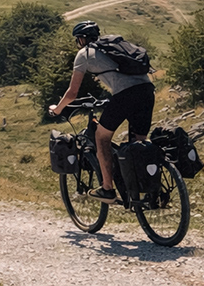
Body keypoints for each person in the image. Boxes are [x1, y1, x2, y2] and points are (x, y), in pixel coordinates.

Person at [48, 20, 155, 203]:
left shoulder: (84, 54)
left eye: (78, 40)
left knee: (101, 138)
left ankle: (107, 189)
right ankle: (150, 193)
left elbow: (72, 93)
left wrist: (57, 109)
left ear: (81, 39)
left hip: (125, 95)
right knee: (139, 143)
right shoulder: (114, 46)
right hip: (147, 91)